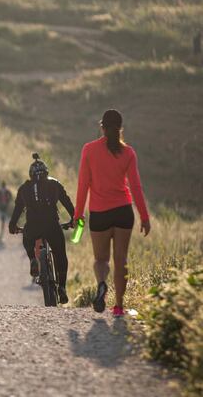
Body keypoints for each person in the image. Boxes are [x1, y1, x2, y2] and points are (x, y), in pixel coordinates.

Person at [74, 109, 150, 317]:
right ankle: (118, 306)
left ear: (102, 127)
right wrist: (144, 217)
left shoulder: (89, 150)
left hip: (100, 213)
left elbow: (83, 184)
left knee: (101, 260)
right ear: (120, 128)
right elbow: (136, 187)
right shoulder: (129, 153)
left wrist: (78, 214)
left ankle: (101, 285)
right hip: (124, 212)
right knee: (121, 260)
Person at [9, 153, 74, 304]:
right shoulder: (55, 184)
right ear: (46, 173)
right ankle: (62, 287)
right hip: (52, 225)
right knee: (60, 255)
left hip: (33, 226)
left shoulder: (24, 188)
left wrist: (12, 226)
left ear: (31, 175)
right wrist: (74, 218)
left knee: (27, 237)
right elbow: (67, 201)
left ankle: (32, 259)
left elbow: (18, 209)